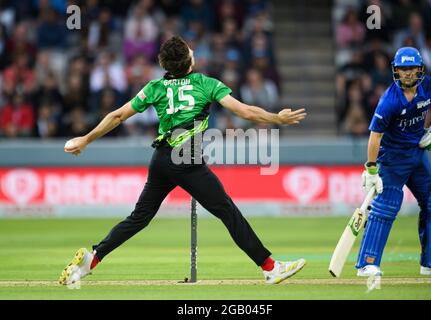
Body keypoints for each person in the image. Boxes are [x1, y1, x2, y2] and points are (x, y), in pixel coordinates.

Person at [58, 36, 308, 286]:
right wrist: (277, 118)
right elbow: (245, 111)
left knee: (139, 217)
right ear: (189, 59)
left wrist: (86, 139)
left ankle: (92, 260)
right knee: (227, 211)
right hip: (187, 160)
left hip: (161, 160)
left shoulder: (154, 87)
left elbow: (118, 115)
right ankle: (270, 268)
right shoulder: (205, 83)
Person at [358, 46, 431, 277]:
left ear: (419, 69)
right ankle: (368, 263)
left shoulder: (428, 85)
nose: (407, 73)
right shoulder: (389, 100)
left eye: (411, 69)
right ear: (396, 71)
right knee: (386, 207)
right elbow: (375, 136)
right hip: (393, 158)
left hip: (418, 154)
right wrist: (371, 169)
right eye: (403, 69)